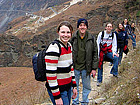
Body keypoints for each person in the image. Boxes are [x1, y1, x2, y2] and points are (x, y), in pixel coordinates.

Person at [45, 21, 77, 105]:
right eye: (63, 32)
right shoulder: (54, 48)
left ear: (71, 33)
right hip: (58, 90)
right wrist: (57, 97)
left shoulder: (69, 46)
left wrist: (74, 86)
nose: (65, 35)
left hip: (68, 87)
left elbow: (71, 68)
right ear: (58, 32)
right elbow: (50, 74)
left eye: (68, 32)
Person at [70, 18, 98, 105]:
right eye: (81, 25)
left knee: (87, 86)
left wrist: (94, 68)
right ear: (78, 27)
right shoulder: (73, 38)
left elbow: (95, 54)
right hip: (75, 67)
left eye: (84, 25)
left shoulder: (91, 39)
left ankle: (85, 102)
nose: (82, 27)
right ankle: (75, 102)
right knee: (75, 86)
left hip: (86, 67)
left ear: (87, 27)